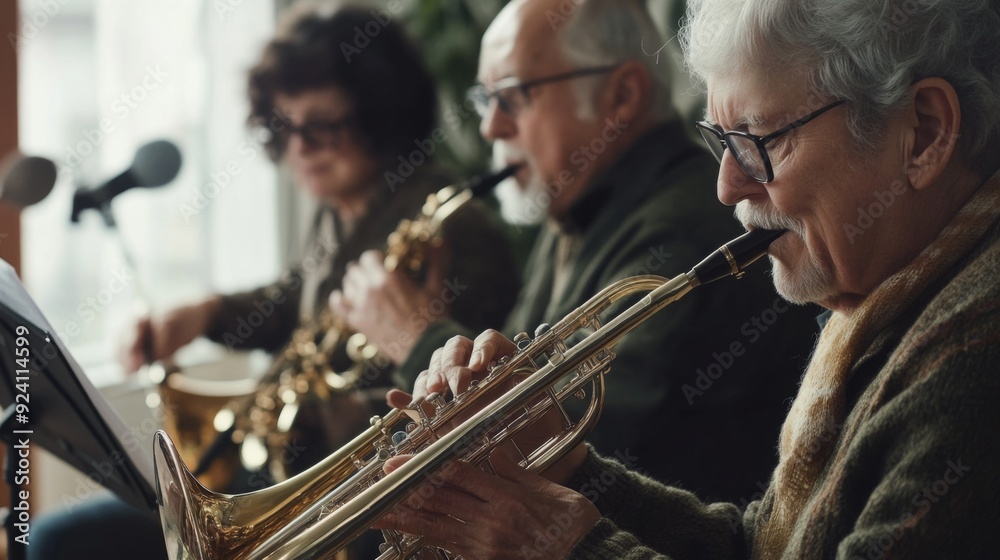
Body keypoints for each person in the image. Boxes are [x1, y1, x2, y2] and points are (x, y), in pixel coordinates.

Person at [376, 0, 1000, 558]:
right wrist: (560, 461)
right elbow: (755, 547)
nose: (727, 185)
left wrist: (565, 546)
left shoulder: (975, 353)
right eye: (721, 140)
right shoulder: (885, 308)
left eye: (759, 139)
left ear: (925, 132)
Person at [29, 4, 518, 559]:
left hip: (364, 507)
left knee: (66, 541)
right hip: (290, 476)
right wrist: (205, 313)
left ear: (381, 118)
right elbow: (296, 302)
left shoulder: (454, 227)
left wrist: (335, 398)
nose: (297, 151)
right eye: (283, 129)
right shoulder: (341, 206)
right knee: (63, 537)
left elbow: (474, 403)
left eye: (322, 128)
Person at [332, 0, 819, 504]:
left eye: (513, 97)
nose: (490, 128)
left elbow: (574, 444)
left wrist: (416, 335)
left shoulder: (682, 226)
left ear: (622, 94)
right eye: (485, 99)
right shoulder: (572, 208)